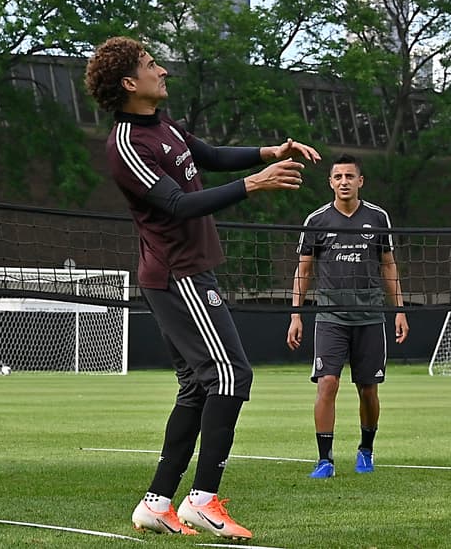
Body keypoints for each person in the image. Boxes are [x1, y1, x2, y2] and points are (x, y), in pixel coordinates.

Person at [84, 37, 319, 540]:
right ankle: (203, 498)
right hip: (177, 273)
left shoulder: (163, 126)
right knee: (232, 374)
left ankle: (156, 503)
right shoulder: (126, 142)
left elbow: (207, 155)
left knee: (197, 386)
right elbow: (175, 204)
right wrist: (255, 183)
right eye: (151, 65)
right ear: (130, 83)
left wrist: (268, 151)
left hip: (189, 269)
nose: (162, 70)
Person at [286, 155, 408, 478]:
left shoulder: (378, 217)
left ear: (360, 181)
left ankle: (366, 450)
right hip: (330, 317)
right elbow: (303, 270)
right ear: (330, 182)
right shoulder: (316, 221)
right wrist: (296, 315)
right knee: (327, 384)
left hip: (370, 316)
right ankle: (324, 459)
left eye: (349, 176)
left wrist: (399, 310)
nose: (344, 181)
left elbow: (389, 265)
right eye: (338, 176)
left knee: (369, 390)